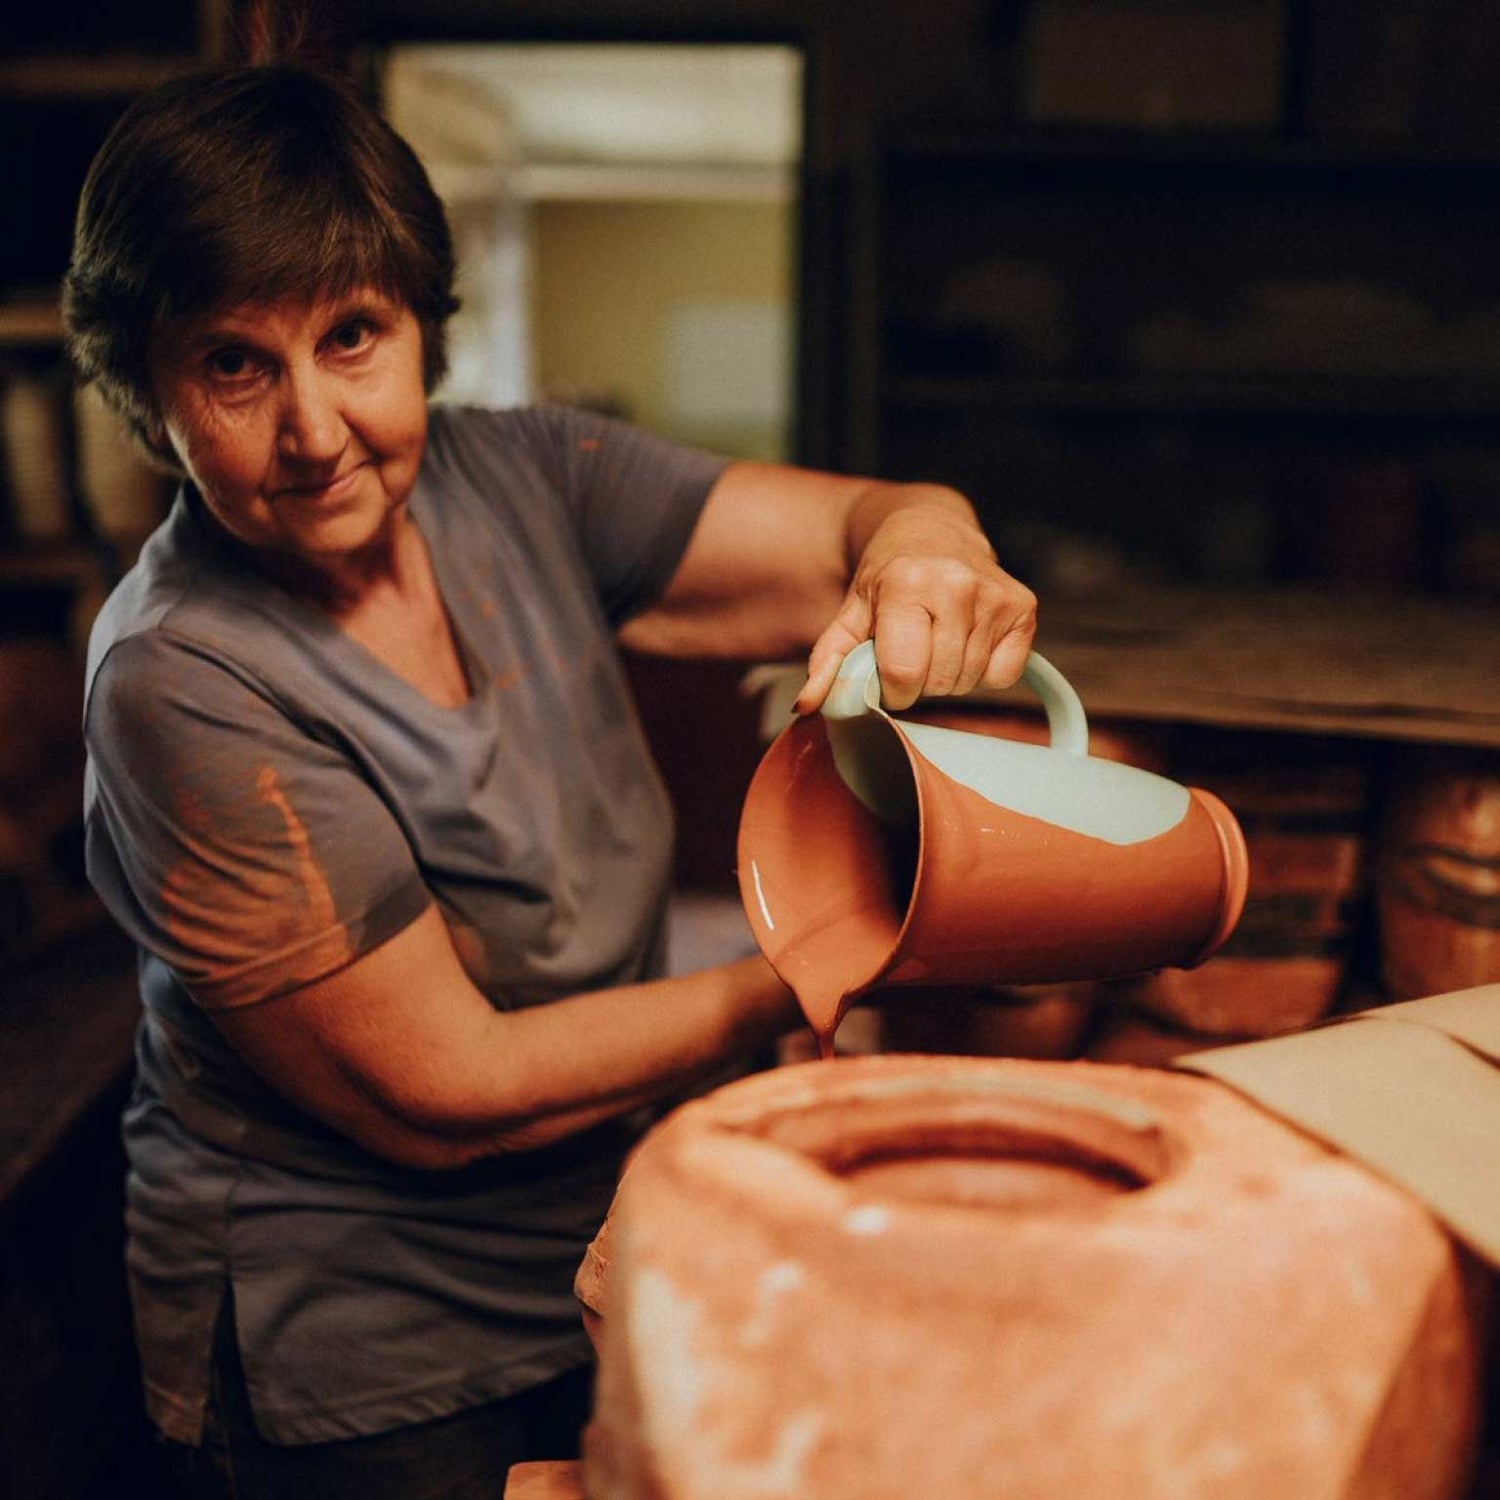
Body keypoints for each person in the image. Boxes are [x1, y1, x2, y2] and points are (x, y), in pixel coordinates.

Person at [62, 57, 1036, 1500]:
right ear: (148, 392)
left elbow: (868, 524)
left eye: (352, 337)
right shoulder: (182, 679)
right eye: (232, 363)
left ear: (423, 330)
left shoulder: (523, 477)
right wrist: (828, 958)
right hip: (359, 1336)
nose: (315, 429)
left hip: (599, 1238)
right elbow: (448, 1092)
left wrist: (932, 547)